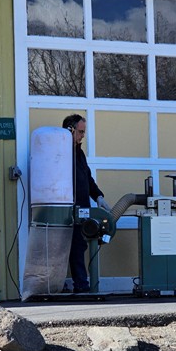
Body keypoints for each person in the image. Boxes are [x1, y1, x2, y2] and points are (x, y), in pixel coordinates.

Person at [62, 114, 110, 293]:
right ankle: (81, 284)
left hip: (83, 208)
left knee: (80, 245)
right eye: (80, 132)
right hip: (69, 208)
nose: (83, 135)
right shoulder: (61, 152)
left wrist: (98, 196)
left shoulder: (79, 153)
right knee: (75, 246)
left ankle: (82, 283)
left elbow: (87, 178)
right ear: (70, 130)